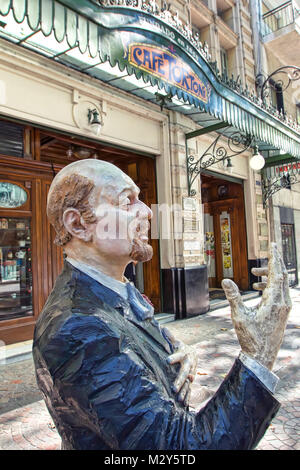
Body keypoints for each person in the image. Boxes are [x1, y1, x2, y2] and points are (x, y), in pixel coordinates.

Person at [33, 159, 291, 450]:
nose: (147, 211)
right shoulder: (79, 327)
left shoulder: (113, 293)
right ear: (78, 224)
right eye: (127, 201)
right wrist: (258, 355)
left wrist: (172, 352)